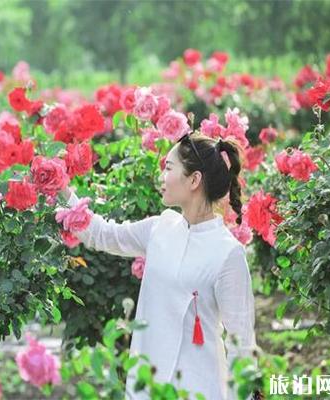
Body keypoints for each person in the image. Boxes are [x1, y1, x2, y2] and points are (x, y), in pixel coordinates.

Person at [58, 133, 259, 399]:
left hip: (199, 387)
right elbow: (102, 234)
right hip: (147, 384)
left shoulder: (228, 252)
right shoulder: (160, 227)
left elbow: (241, 343)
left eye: (168, 167)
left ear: (194, 180)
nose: (162, 176)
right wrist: (59, 187)